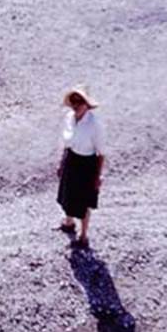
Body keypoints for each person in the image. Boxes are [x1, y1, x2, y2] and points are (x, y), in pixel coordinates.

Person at [57, 86, 105, 249]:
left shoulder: (95, 125)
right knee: (67, 194)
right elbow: (66, 144)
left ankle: (83, 235)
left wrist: (98, 176)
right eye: (74, 101)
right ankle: (69, 222)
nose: (76, 105)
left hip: (87, 163)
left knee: (84, 201)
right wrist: (61, 163)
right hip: (71, 159)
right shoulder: (69, 118)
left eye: (80, 101)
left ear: (87, 104)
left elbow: (101, 152)